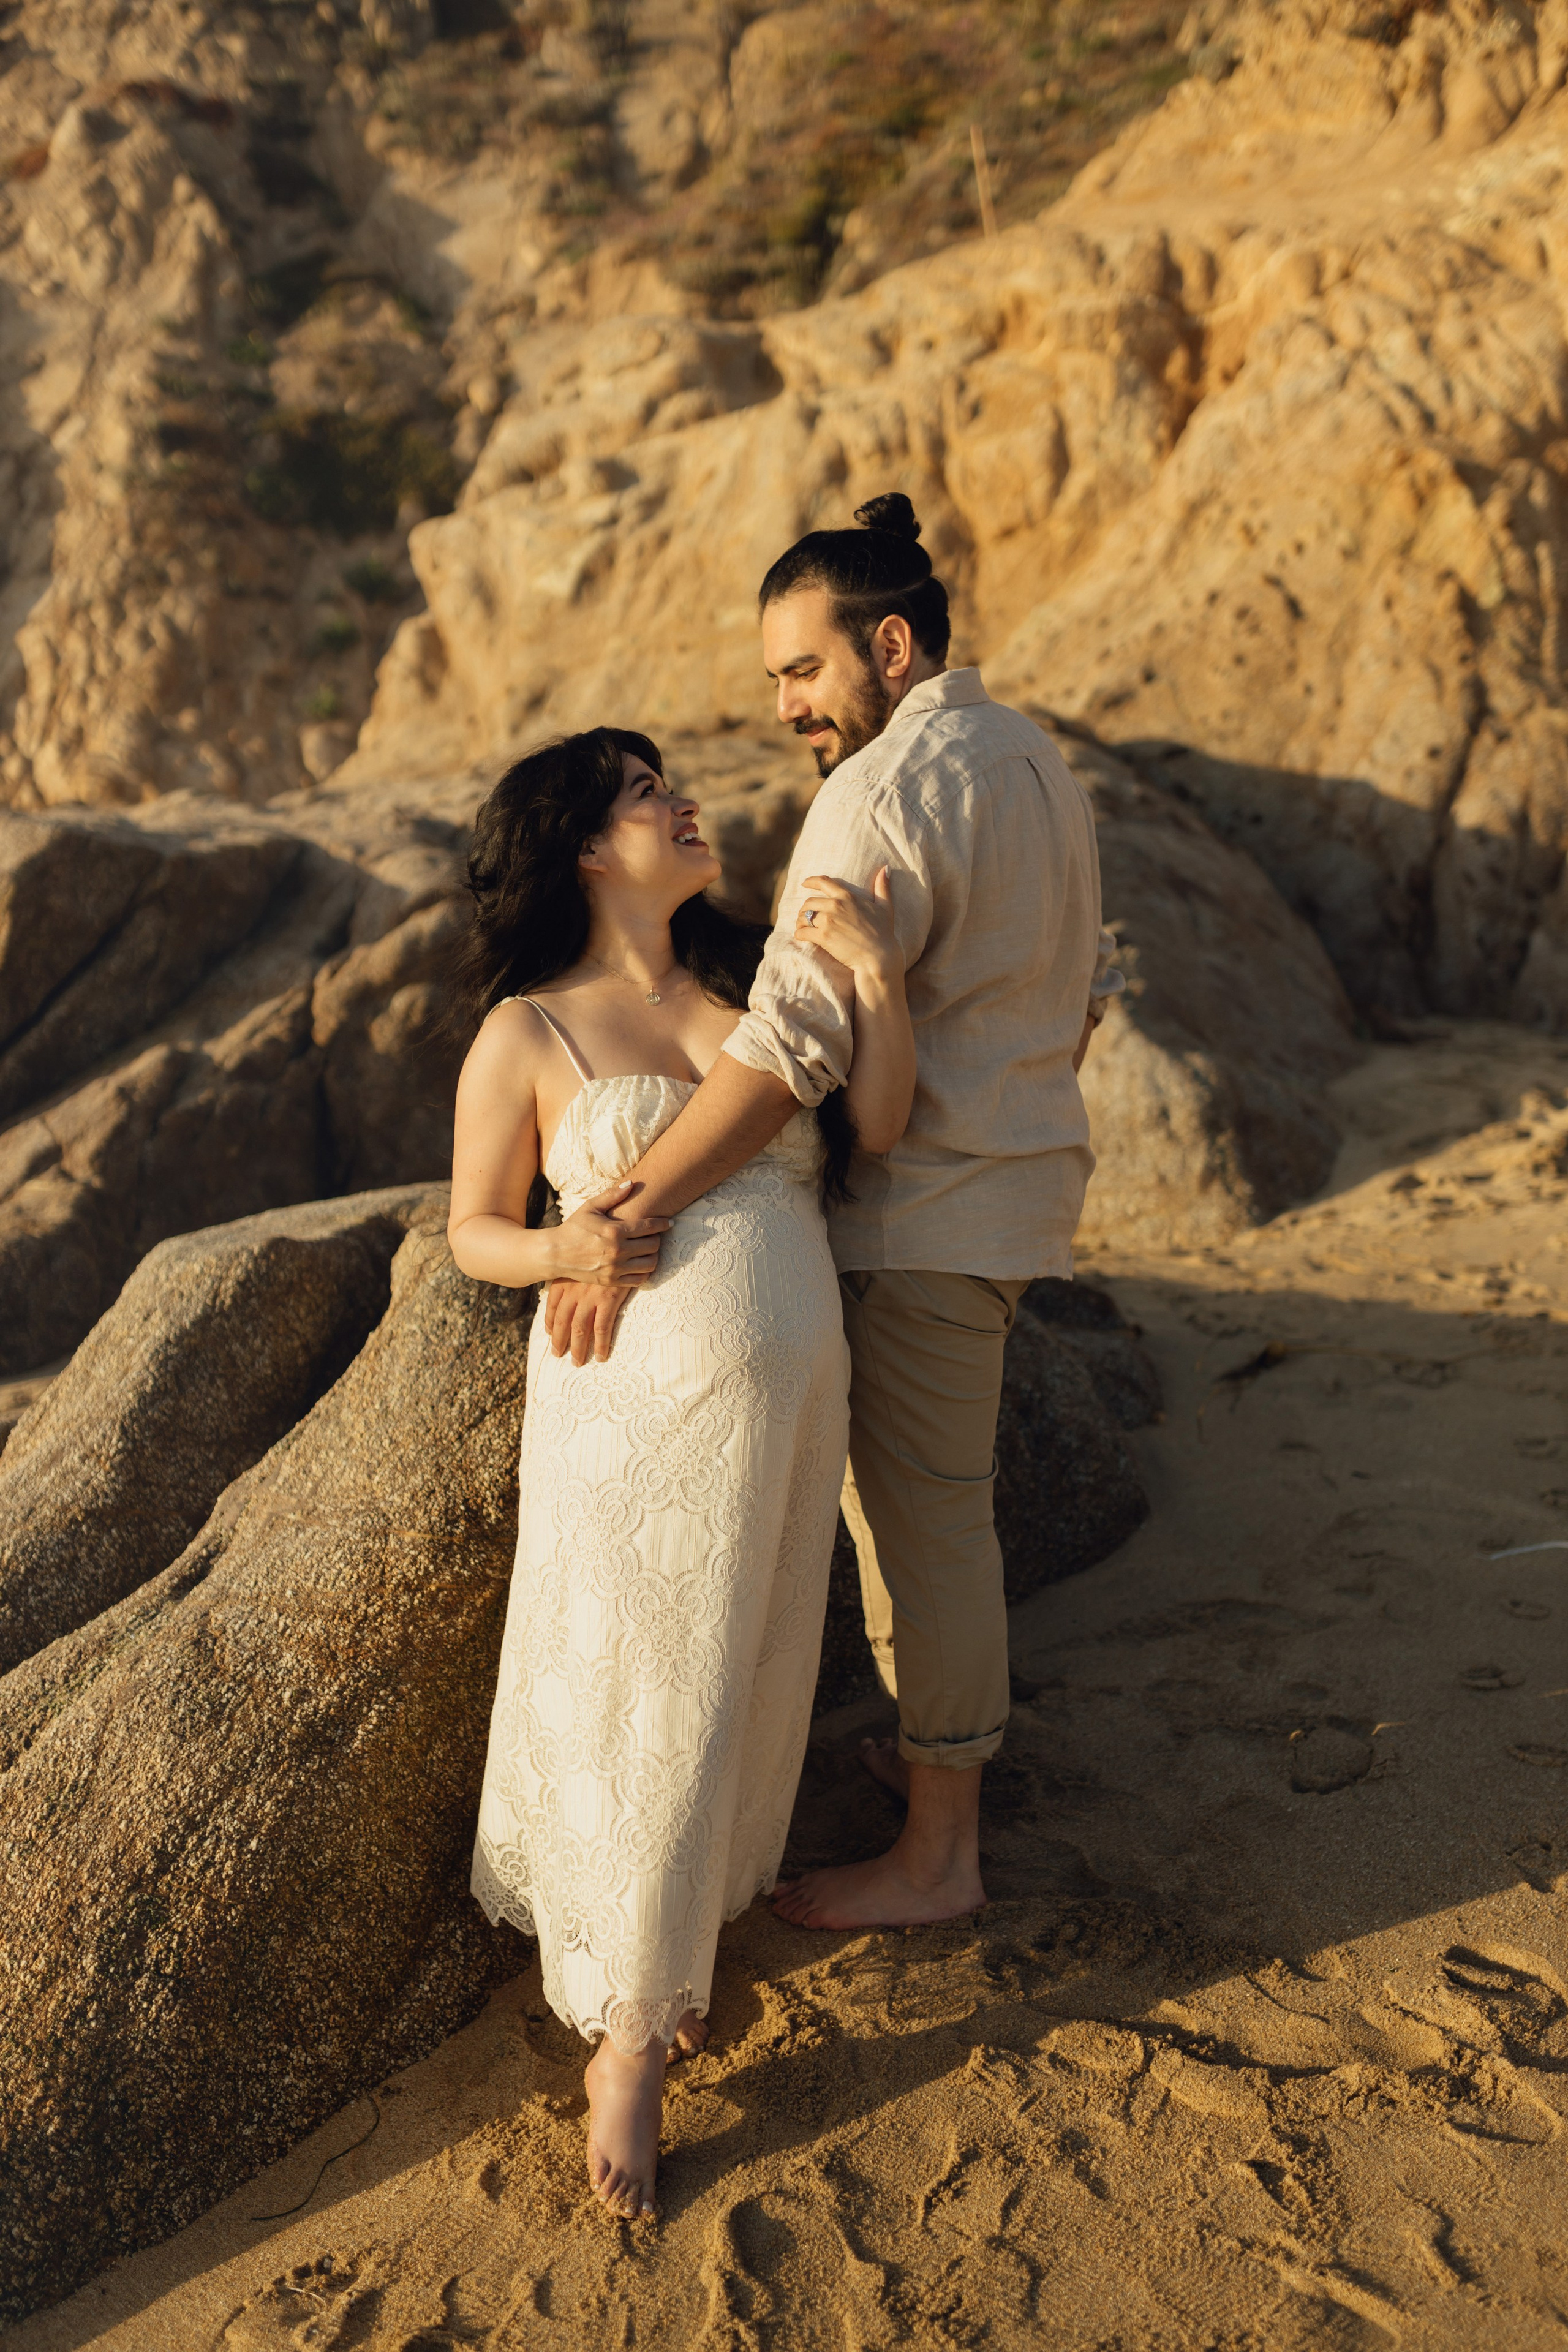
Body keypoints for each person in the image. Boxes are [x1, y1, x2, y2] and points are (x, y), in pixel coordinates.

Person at [543, 494, 1123, 1935]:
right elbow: (1088, 989)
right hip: (1008, 1196)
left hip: (921, 1215)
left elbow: (784, 1045)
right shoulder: (1034, 759)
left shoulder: (881, 792)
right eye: (775, 686)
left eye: (801, 673)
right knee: (927, 1518)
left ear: (888, 643)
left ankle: (938, 1855)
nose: (791, 708)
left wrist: (634, 1197)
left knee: (924, 1531)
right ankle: (938, 1765)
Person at [447, 726, 916, 2221]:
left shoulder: (753, 991)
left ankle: (672, 1951)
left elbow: (883, 1127)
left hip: (788, 1398)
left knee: (741, 1667)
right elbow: (472, 1231)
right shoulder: (527, 1029)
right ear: (587, 845)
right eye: (647, 792)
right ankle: (629, 2047)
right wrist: (568, 1244)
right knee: (636, 1686)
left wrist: (881, 989)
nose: (683, 801)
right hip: (627, 1409)